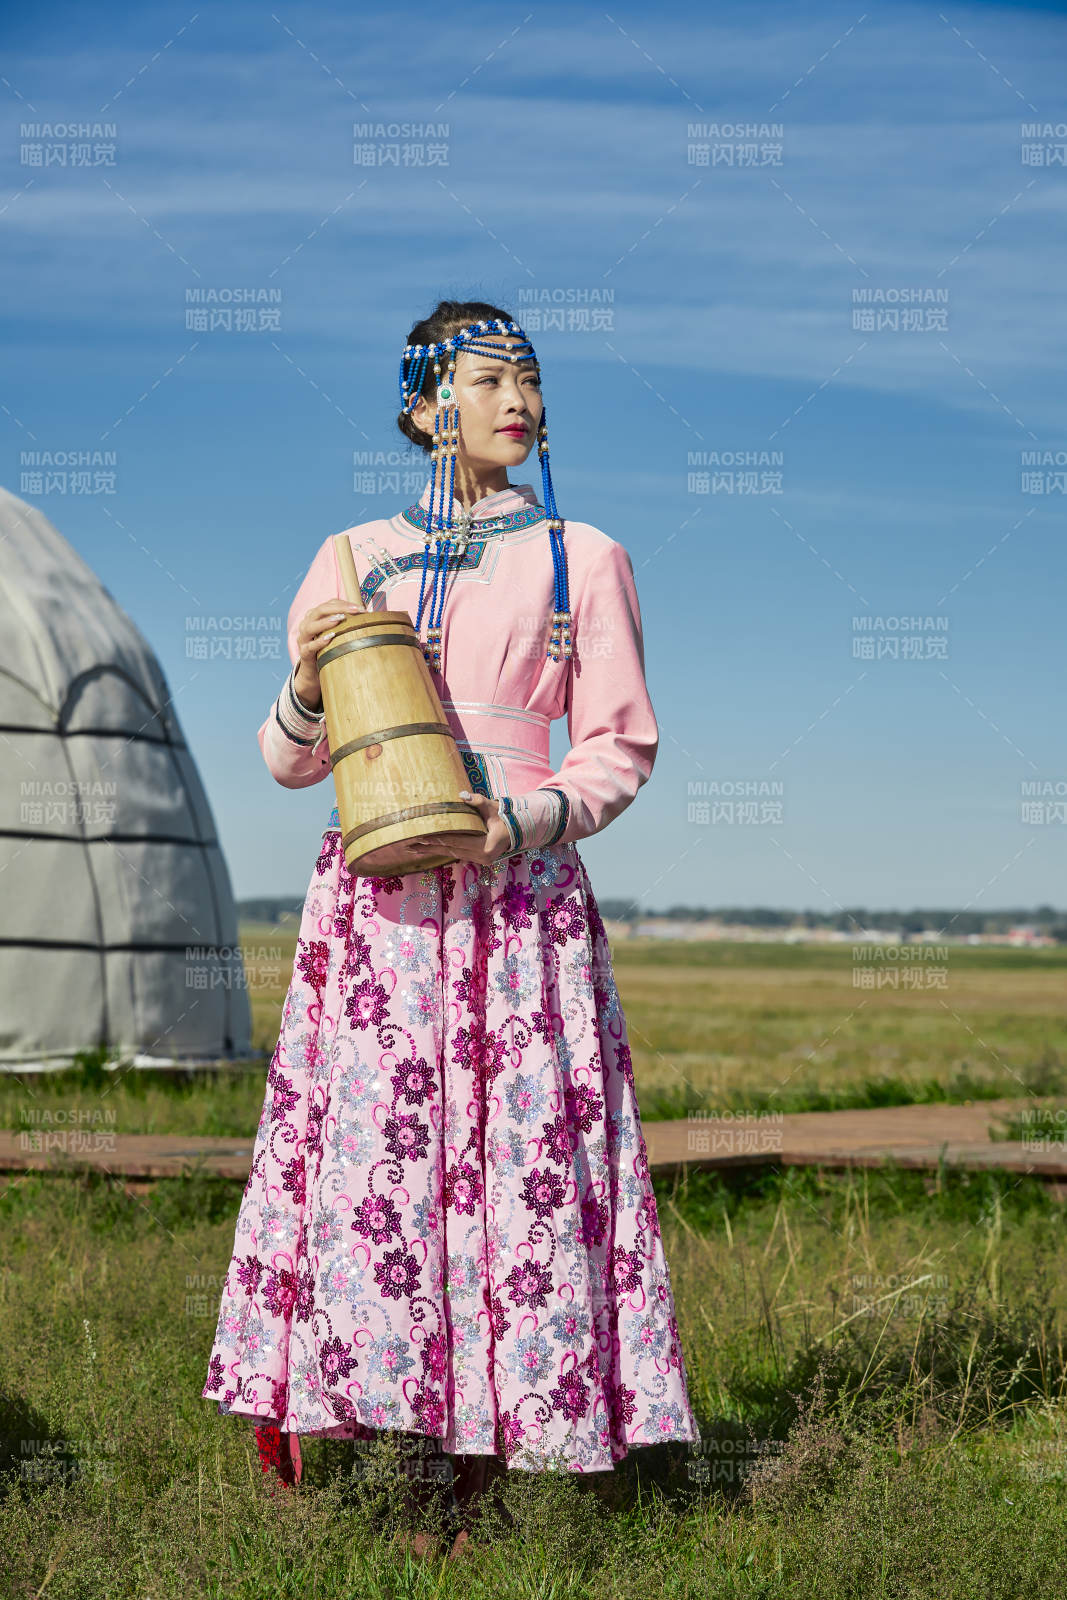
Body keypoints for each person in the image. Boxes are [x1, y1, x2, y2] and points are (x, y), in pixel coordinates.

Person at [201, 299, 699, 1558]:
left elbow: (619, 745)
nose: (517, 399)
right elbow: (281, 760)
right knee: (380, 1176)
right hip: (376, 920)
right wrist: (308, 678)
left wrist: (519, 823)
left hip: (516, 901)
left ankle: (497, 1465)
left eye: (528, 377)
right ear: (428, 409)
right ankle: (400, 1454)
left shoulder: (580, 556)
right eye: (486, 380)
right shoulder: (351, 554)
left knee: (513, 1172)